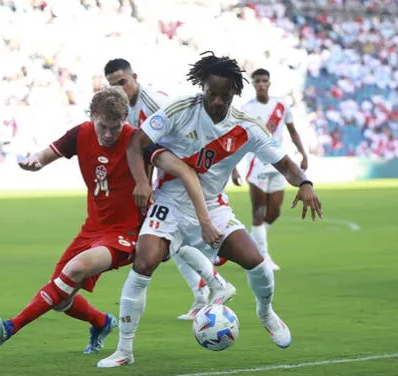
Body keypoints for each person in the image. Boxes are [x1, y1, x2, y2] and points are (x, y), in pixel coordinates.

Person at [98, 52, 322, 368]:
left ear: (235, 94)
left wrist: (305, 182)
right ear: (202, 86)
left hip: (214, 205)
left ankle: (265, 311)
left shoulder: (248, 127)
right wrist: (142, 184)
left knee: (256, 261)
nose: (217, 101)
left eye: (224, 96)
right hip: (169, 204)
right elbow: (137, 143)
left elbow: (285, 163)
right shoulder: (179, 109)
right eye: (212, 93)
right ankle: (124, 350)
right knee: (144, 261)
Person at [0, 87, 223, 354]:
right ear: (92, 116)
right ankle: (101, 322)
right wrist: (33, 162)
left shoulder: (137, 140)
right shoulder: (80, 134)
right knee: (59, 297)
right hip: (93, 227)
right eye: (103, 127)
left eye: (115, 127)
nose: (109, 134)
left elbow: (178, 166)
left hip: (128, 232)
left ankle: (11, 326)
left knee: (75, 269)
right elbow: (43, 157)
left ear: (125, 118)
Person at [105, 58, 235, 320]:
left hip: (180, 178)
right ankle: (206, 290)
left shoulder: (154, 102)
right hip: (162, 177)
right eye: (113, 85)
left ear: (135, 77)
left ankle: (214, 284)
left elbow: (188, 133)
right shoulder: (123, 107)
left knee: (169, 240)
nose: (119, 88)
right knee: (169, 242)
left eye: (123, 82)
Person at [236, 68, 309, 271]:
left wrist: (303, 153)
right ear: (253, 84)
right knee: (258, 213)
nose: (261, 84)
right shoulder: (246, 109)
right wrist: (234, 167)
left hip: (278, 163)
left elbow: (292, 131)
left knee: (275, 211)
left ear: (269, 83)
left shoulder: (281, 106)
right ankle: (263, 255)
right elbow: (237, 138)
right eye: (257, 81)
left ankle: (253, 241)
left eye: (264, 80)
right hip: (256, 163)